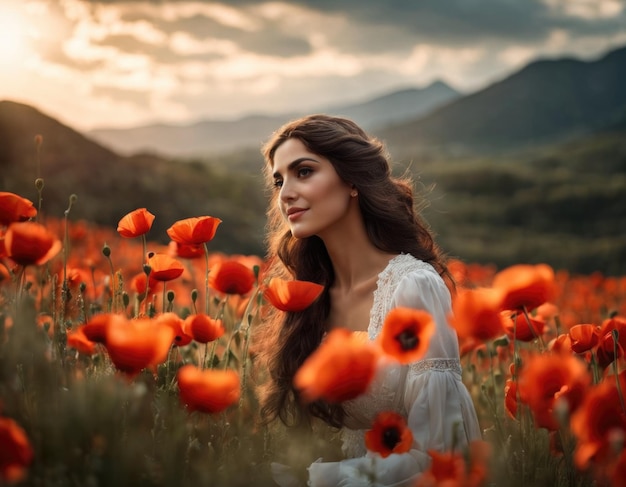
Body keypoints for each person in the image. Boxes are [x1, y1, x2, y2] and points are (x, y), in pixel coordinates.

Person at [256, 114, 481, 486]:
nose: (285, 194)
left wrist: (315, 479)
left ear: (352, 180)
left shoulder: (413, 287)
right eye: (279, 181)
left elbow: (441, 454)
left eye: (304, 172)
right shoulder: (312, 299)